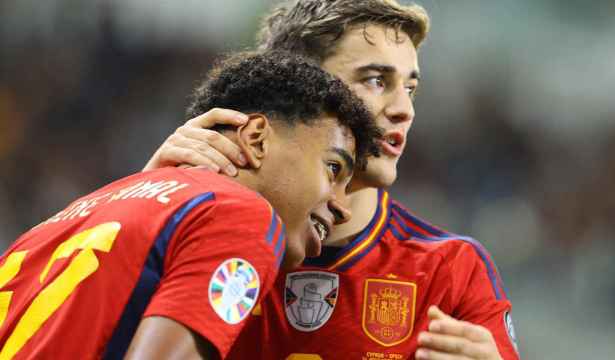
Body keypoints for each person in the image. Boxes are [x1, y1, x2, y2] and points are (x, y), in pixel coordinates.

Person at [144, 1, 520, 359]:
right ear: (301, 86)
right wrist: (148, 202)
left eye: (410, 88)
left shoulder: (448, 269)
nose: (404, 109)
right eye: (375, 80)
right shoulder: (199, 232)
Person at [0, 51, 381, 360]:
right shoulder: (243, 215)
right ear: (257, 139)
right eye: (334, 169)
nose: (342, 206)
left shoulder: (61, 221)